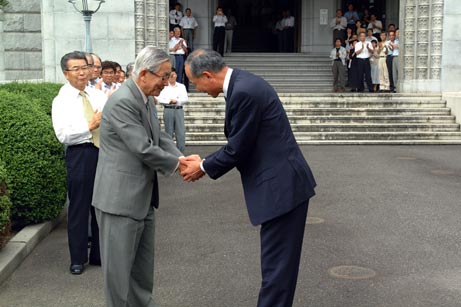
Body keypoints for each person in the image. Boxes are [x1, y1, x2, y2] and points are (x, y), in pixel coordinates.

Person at [181, 49, 317, 307]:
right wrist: (204, 162)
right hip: (283, 185)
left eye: (195, 83)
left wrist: (203, 166)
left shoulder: (243, 91)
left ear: (208, 75)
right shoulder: (244, 82)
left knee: (276, 271)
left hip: (281, 189)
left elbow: (237, 148)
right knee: (278, 270)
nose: (196, 89)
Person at [92, 46, 183, 307]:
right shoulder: (122, 101)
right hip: (119, 202)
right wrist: (180, 167)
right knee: (118, 278)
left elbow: (159, 137)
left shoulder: (144, 98)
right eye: (163, 77)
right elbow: (142, 147)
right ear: (144, 73)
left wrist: (182, 158)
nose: (166, 84)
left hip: (143, 200)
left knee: (142, 275)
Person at [51, 51, 107, 275]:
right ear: (66, 74)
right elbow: (62, 135)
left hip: (103, 153)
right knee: (79, 208)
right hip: (80, 154)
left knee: (101, 206)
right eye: (77, 69)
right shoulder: (61, 100)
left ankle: (99, 255)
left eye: (85, 67)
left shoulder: (96, 94)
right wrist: (89, 125)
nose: (83, 72)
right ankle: (77, 258)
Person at [157, 68, 188, 153]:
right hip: (168, 109)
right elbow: (159, 99)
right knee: (168, 132)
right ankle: (170, 152)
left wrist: (177, 101)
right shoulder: (164, 86)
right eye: (170, 75)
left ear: (176, 75)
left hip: (178, 109)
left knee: (180, 132)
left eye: (173, 74)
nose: (172, 76)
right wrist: (169, 101)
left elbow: (185, 99)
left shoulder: (181, 86)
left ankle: (181, 152)